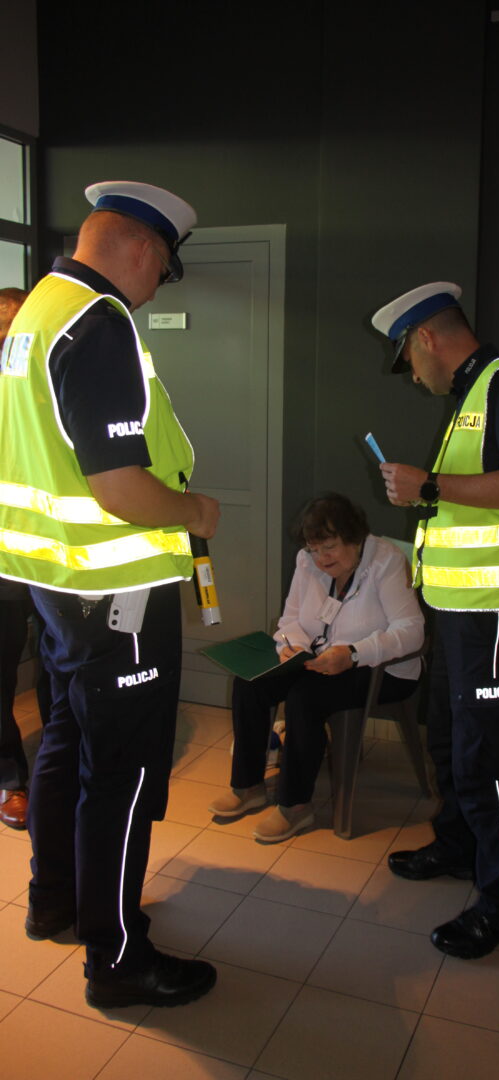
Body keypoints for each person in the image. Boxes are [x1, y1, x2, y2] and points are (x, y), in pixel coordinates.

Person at [0, 181, 221, 1008]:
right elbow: (121, 485)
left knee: (66, 741)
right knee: (121, 775)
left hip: (60, 588)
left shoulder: (36, 313)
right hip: (118, 595)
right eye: (163, 268)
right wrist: (194, 511)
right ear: (140, 248)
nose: (158, 286)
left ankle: (56, 900)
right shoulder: (99, 322)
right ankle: (118, 959)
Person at [371, 282, 499, 960]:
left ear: (426, 337)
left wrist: (429, 485)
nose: (412, 373)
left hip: (497, 614)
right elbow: (477, 499)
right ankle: (459, 844)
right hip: (461, 611)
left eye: (408, 358)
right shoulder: (472, 394)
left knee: (491, 756)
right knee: (451, 740)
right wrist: (431, 497)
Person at [209, 493, 425, 841]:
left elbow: (412, 632)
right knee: (249, 683)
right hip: (318, 657)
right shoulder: (306, 561)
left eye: (330, 548)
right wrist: (290, 645)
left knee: (304, 697)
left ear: (355, 538)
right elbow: (291, 619)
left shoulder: (385, 561)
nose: (321, 559)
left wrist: (353, 653)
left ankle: (295, 806)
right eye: (313, 549)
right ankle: (248, 786)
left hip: (380, 668)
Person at [0, 288, 33, 829]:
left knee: (60, 677)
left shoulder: (44, 387)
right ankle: (11, 778)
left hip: (45, 563)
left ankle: (57, 773)